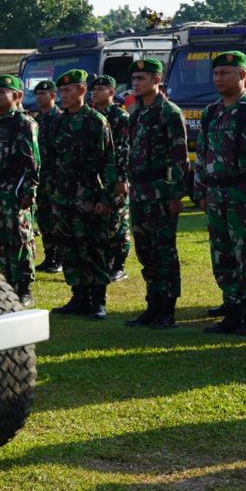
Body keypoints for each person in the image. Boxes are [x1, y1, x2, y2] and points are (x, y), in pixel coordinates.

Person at [193, 50, 246, 335]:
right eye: (216, 74)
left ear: (242, 76)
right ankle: (232, 310)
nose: (218, 78)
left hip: (245, 193)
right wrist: (201, 191)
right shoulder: (211, 112)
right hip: (217, 195)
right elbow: (201, 153)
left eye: (225, 73)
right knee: (223, 255)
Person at [124, 59, 188, 329]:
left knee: (164, 252)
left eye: (142, 78)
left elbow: (179, 157)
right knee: (145, 250)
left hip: (161, 191)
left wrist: (176, 195)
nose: (136, 83)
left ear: (156, 80)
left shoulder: (169, 112)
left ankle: (167, 309)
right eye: (135, 78)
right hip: (139, 191)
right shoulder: (138, 113)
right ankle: (152, 305)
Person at [48, 70, 116, 320]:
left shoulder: (95, 121)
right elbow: (51, 160)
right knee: (68, 248)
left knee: (93, 247)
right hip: (62, 195)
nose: (64, 96)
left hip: (88, 194)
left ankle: (98, 300)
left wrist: (106, 198)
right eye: (62, 91)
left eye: (69, 90)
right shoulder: (58, 121)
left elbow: (108, 161)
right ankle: (78, 296)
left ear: (82, 91)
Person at [0, 75, 40, 305]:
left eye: (1, 92)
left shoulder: (23, 123)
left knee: (20, 237)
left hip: (14, 188)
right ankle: (8, 283)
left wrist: (28, 190)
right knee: (1, 237)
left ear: (17, 96)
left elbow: (32, 161)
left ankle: (24, 287)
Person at [91, 75, 131, 282]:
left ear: (111, 92)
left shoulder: (120, 117)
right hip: (97, 176)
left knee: (118, 222)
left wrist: (122, 178)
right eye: (94, 89)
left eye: (101, 89)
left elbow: (124, 150)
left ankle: (118, 265)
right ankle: (104, 263)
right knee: (101, 222)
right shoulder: (91, 115)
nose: (95, 92)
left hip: (115, 176)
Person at [31, 80, 62, 273]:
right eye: (37, 94)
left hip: (55, 176)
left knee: (56, 219)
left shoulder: (59, 118)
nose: (39, 97)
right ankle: (49, 256)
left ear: (53, 96)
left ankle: (59, 258)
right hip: (41, 177)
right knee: (43, 218)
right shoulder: (37, 120)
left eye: (44, 94)